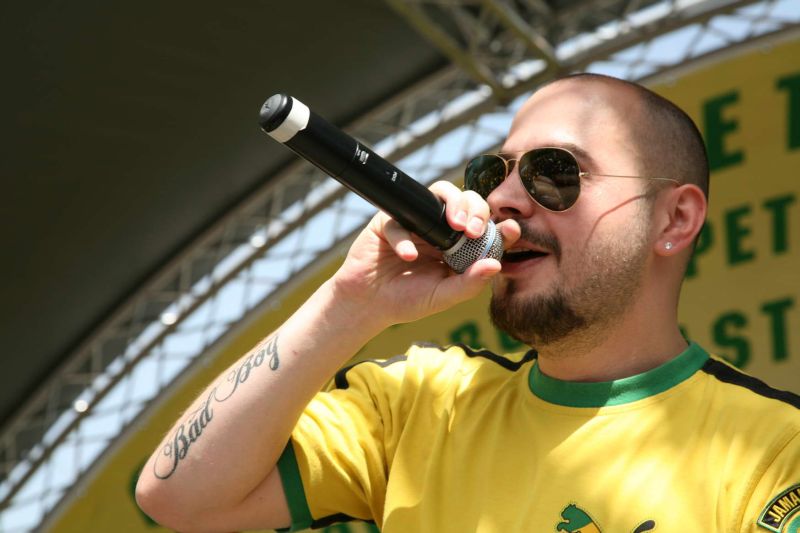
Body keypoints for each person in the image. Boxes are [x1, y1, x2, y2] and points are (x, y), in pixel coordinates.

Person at [136, 74, 800, 533]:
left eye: (553, 172)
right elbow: (179, 496)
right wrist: (351, 303)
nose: (503, 199)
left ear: (674, 219)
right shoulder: (421, 403)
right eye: (492, 174)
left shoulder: (776, 452)